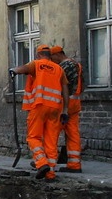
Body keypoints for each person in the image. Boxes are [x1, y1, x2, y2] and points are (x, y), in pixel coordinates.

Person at [10, 44, 69, 181]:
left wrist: (13, 70)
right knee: (51, 140)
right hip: (55, 108)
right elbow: (65, 90)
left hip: (39, 105)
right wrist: (65, 109)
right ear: (50, 55)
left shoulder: (37, 64)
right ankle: (51, 173)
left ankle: (42, 163)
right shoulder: (59, 69)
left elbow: (23, 69)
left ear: (38, 55)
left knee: (33, 137)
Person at [51, 45, 84, 173]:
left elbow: (59, 85)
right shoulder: (77, 65)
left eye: (52, 57)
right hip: (75, 102)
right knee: (73, 134)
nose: (52, 60)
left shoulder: (63, 67)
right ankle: (75, 165)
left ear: (58, 54)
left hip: (64, 103)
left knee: (53, 131)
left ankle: (48, 162)